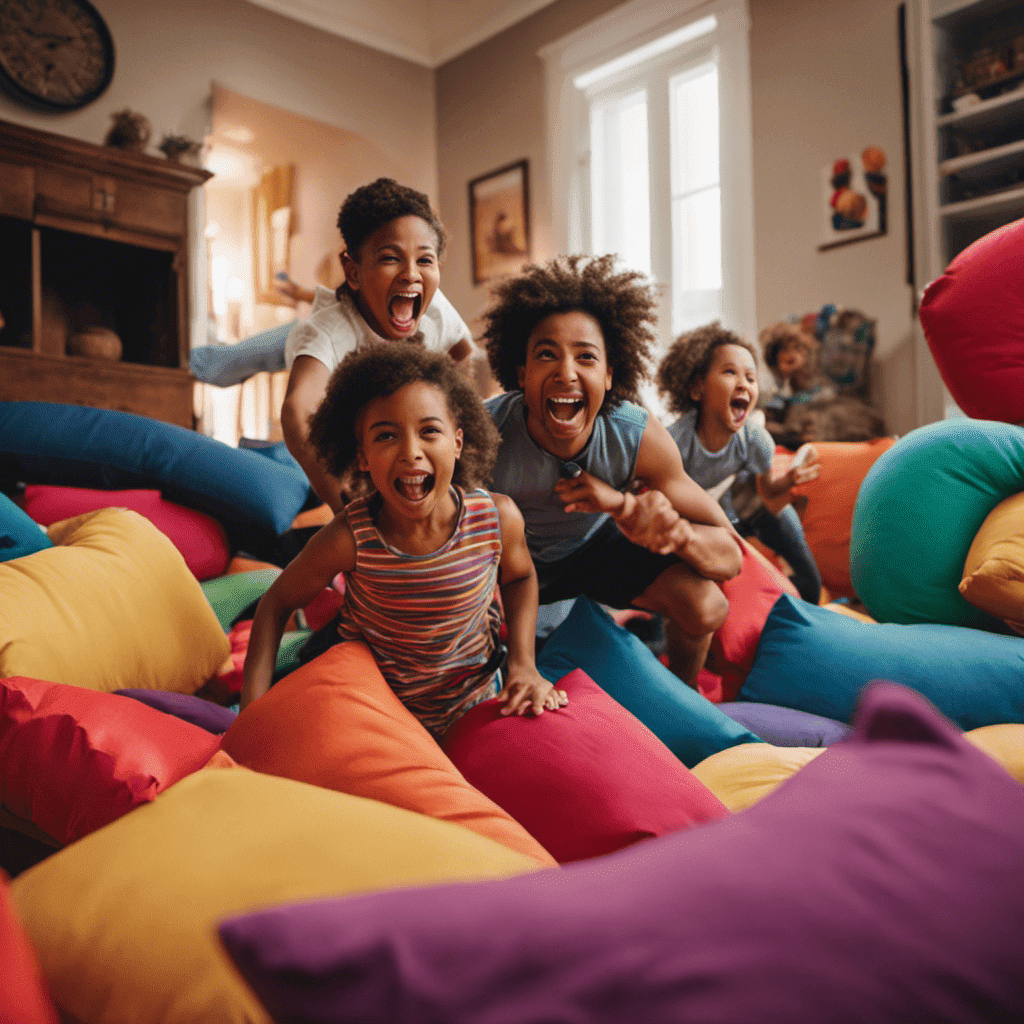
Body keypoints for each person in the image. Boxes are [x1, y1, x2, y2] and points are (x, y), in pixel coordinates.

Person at [241, 342, 567, 737]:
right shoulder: (351, 537)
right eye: (386, 437)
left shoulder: (496, 518)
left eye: (430, 431)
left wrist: (523, 663)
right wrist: (249, 716)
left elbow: (519, 578)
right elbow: (275, 603)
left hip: (474, 702)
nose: (411, 453)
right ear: (361, 457)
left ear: (458, 442)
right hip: (378, 713)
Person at [481, 254, 743, 686]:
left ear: (608, 375)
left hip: (595, 551)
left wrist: (670, 530)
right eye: (547, 355)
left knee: (707, 605)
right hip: (513, 565)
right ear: (522, 373)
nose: (566, 372)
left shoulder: (636, 436)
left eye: (586, 357)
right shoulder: (485, 433)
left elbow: (729, 558)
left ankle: (684, 695)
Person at [281, 178, 475, 513]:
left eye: (425, 260)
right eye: (390, 258)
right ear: (353, 272)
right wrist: (343, 501)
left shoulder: (434, 308)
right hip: (317, 363)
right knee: (269, 347)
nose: (411, 274)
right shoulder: (329, 332)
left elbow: (464, 352)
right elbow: (296, 411)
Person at [656, 322, 823, 605]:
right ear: (697, 389)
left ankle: (782, 599)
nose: (743, 383)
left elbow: (769, 491)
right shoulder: (676, 442)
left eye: (751, 377)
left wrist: (791, 478)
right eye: (730, 372)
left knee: (811, 584)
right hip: (722, 517)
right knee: (701, 583)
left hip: (760, 511)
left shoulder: (756, 439)